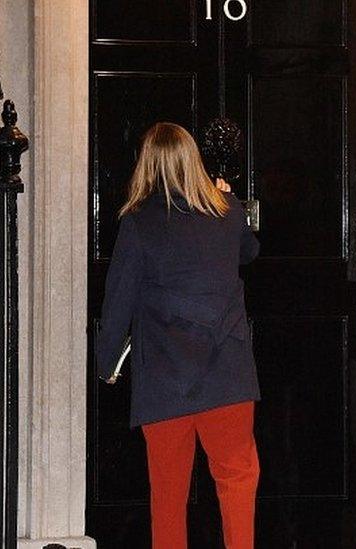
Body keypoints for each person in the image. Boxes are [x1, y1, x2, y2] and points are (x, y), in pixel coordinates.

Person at [95, 122, 261, 549]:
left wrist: (106, 363)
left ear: (146, 164)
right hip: (227, 374)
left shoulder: (138, 223)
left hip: (166, 382)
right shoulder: (227, 210)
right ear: (193, 160)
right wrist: (229, 199)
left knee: (168, 499)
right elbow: (249, 251)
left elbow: (118, 300)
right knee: (238, 486)